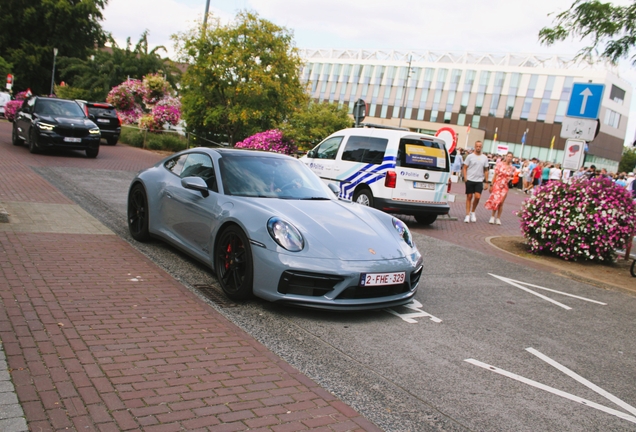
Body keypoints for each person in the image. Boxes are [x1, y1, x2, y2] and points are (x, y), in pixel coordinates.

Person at [462, 140, 489, 223]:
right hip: (470, 179)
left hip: (479, 180)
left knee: (477, 197)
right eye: (477, 146)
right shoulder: (470, 156)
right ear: (474, 146)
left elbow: (486, 170)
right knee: (469, 197)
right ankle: (467, 215)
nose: (478, 148)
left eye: (479, 146)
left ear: (481, 147)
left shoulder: (484, 158)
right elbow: (465, 167)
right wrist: (465, 177)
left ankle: (472, 212)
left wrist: (486, 181)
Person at [485, 152, 515, 225]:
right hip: (498, 184)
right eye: (508, 156)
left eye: (511, 157)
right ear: (506, 157)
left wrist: (511, 179)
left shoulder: (512, 168)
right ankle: (492, 216)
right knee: (496, 201)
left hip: (505, 185)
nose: (509, 158)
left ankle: (498, 218)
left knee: (501, 202)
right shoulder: (500, 165)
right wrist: (491, 184)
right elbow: (495, 174)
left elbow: (512, 176)